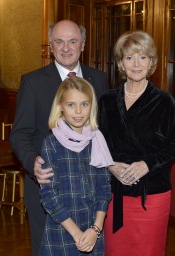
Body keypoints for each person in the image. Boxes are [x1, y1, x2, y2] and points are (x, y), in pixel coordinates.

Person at [9, 20, 108, 256]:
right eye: (59, 42)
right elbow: (20, 133)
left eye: (72, 41)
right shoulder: (32, 82)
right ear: (50, 47)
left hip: (89, 197)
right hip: (48, 192)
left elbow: (103, 132)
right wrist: (33, 161)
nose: (66, 47)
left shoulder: (100, 80)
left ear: (82, 45)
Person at [98, 31, 175, 256]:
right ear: (121, 63)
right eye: (129, 58)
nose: (136, 64)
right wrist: (110, 165)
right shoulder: (106, 101)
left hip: (152, 196)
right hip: (113, 195)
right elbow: (95, 143)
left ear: (151, 62)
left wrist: (146, 164)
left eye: (143, 57)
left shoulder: (164, 101)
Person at [39, 76, 113, 255]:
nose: (78, 111)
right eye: (71, 105)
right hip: (62, 230)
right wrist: (77, 233)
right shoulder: (51, 143)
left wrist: (96, 229)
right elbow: (48, 195)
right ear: (61, 107)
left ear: (92, 106)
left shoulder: (97, 140)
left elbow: (104, 188)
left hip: (92, 229)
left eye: (85, 104)